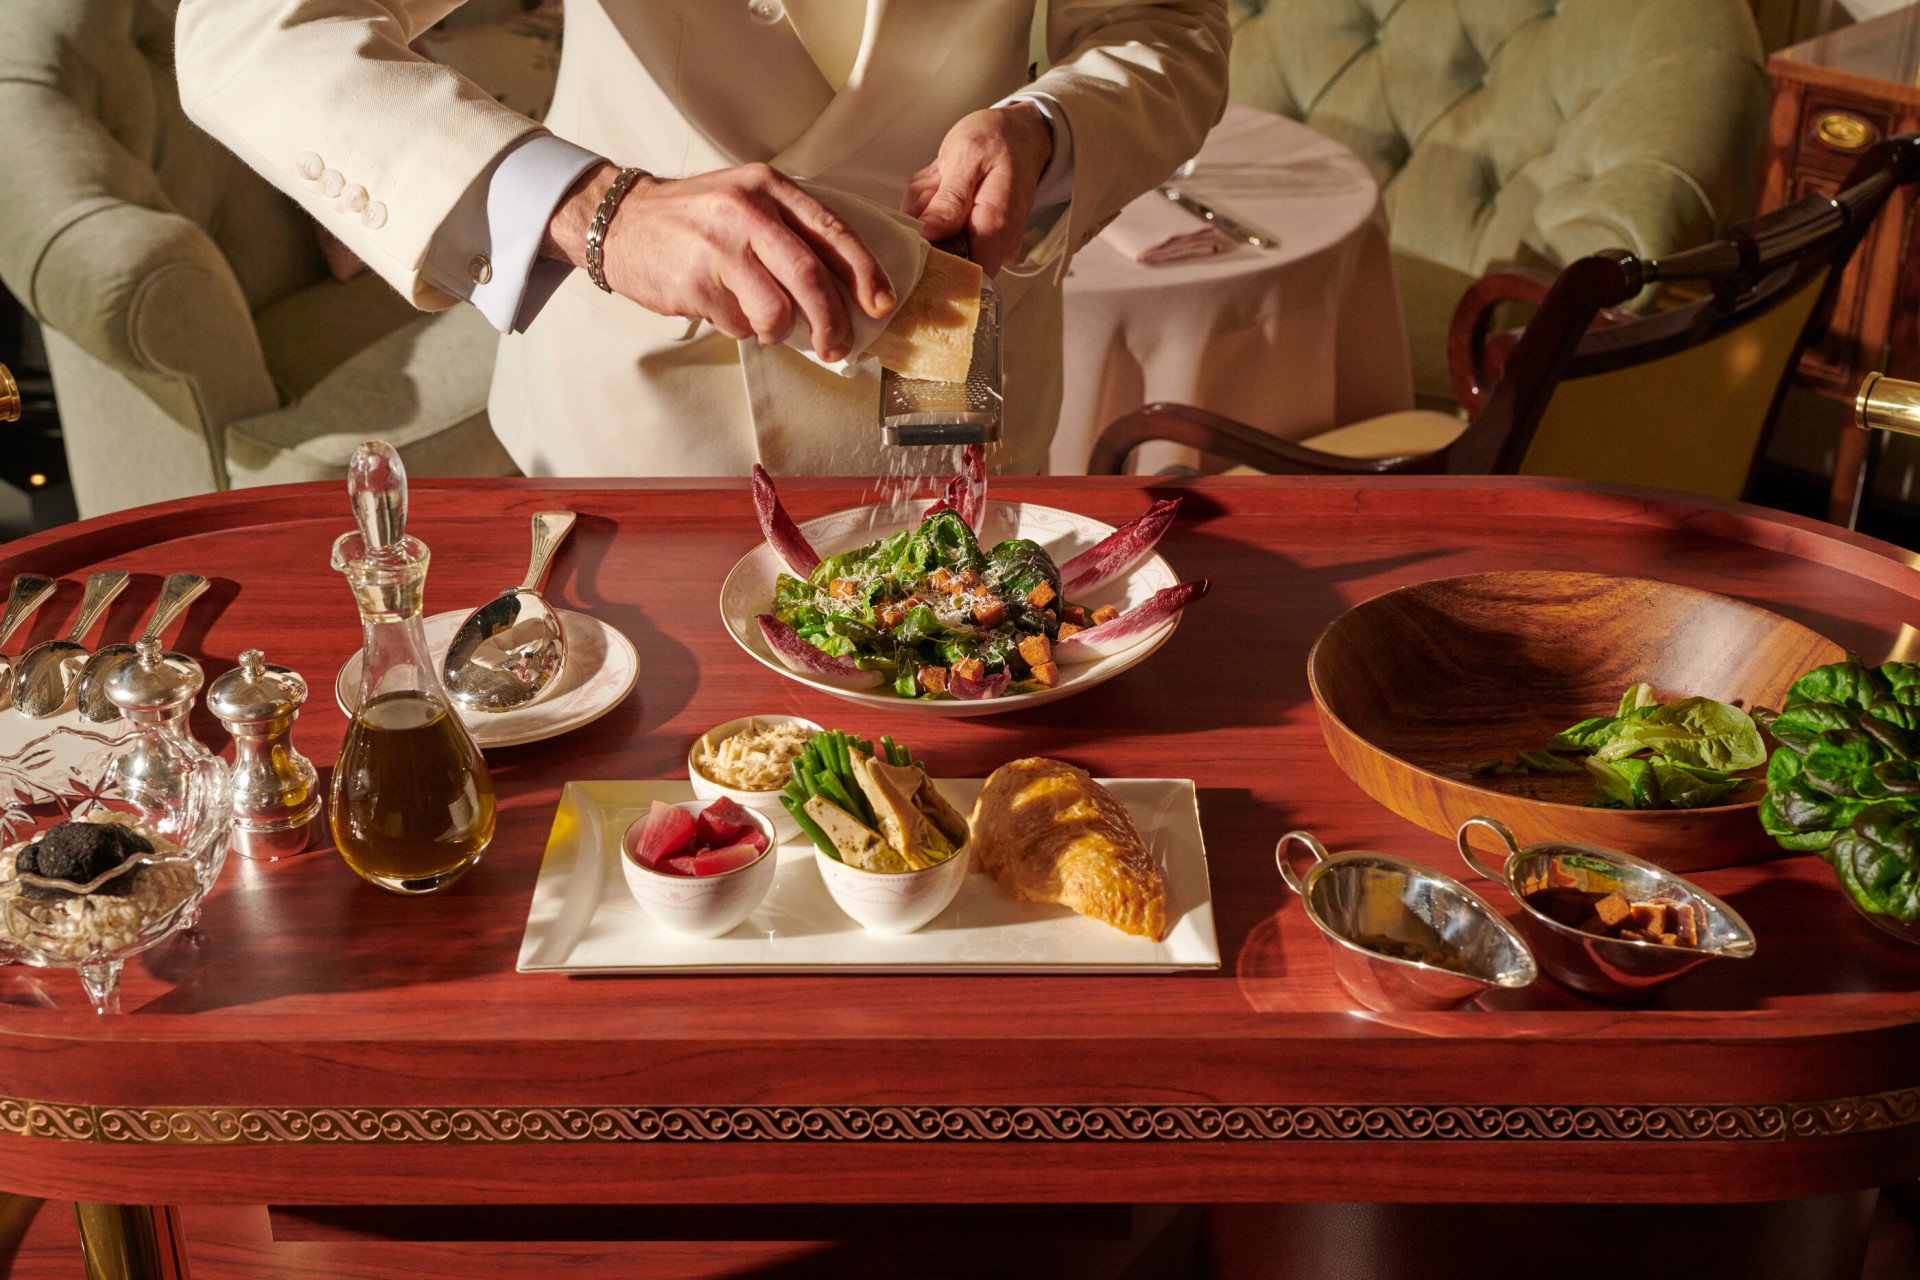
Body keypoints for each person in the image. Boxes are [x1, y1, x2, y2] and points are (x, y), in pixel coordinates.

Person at [175, 0, 1229, 476]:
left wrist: (1053, 130)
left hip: (962, 414)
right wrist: (599, 210)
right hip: (635, 436)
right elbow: (246, 29)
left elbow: (1163, 24)